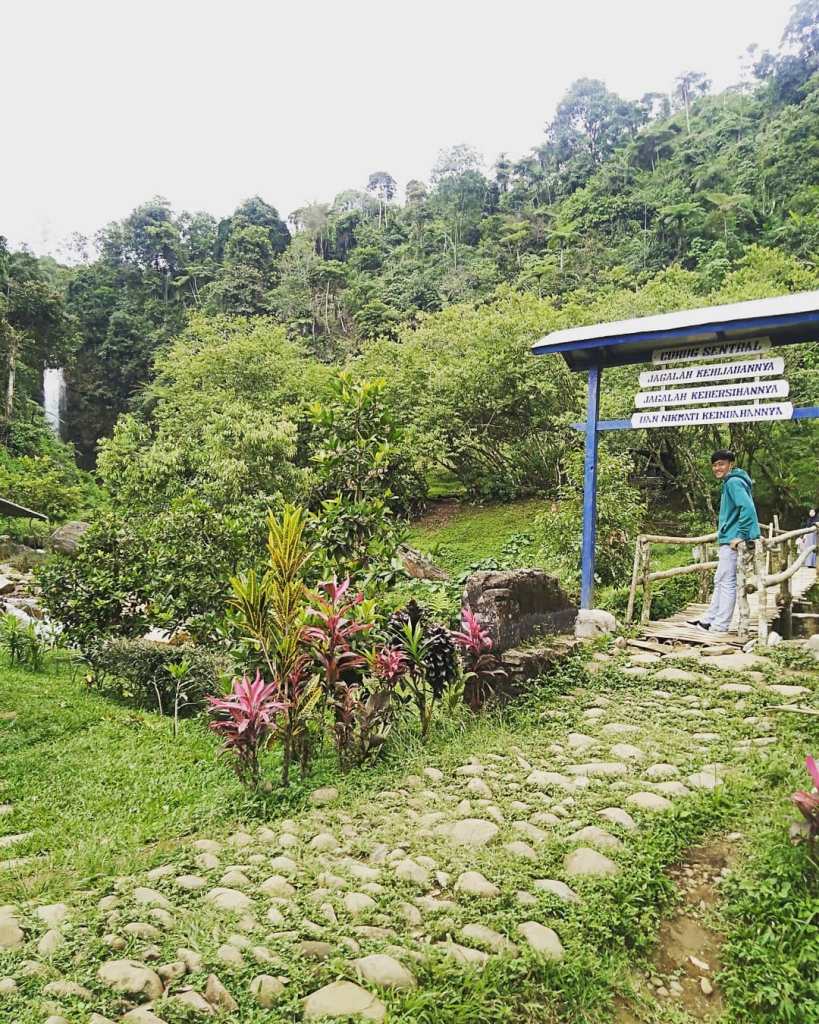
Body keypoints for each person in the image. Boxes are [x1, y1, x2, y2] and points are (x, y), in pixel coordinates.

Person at [688, 450, 761, 633]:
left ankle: (720, 625)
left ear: (731, 464)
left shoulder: (734, 482)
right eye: (714, 465)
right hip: (728, 538)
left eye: (721, 464)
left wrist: (742, 535)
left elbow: (747, 508)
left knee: (727, 582)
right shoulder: (731, 482)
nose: (717, 468)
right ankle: (708, 620)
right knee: (720, 579)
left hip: (733, 542)